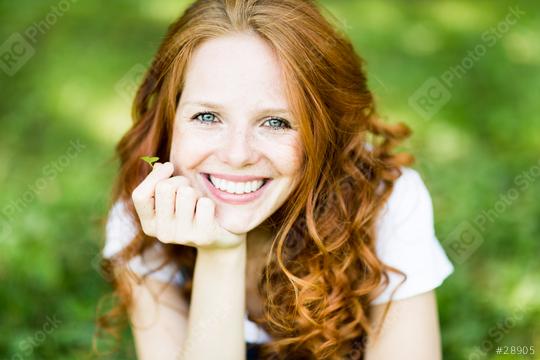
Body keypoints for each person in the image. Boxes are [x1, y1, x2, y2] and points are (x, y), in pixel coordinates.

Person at [94, 0, 454, 359]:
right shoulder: (143, 215)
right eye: (207, 116)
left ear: (322, 131)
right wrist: (221, 253)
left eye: (276, 122)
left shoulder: (385, 202)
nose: (237, 155)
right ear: (171, 119)